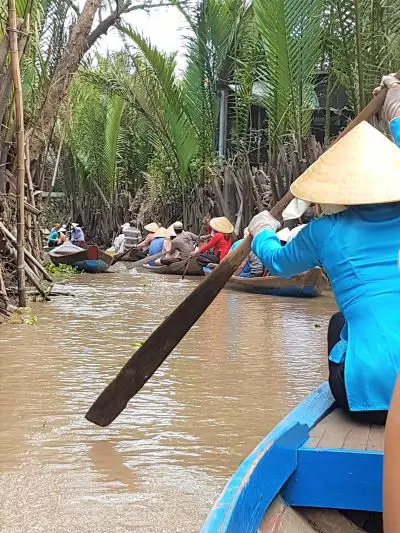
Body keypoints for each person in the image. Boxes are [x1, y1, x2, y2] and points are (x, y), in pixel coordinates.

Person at [247, 74, 400, 425]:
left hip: (370, 399)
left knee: (339, 322)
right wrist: (395, 108)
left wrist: (263, 231)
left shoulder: (325, 231)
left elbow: (278, 263)